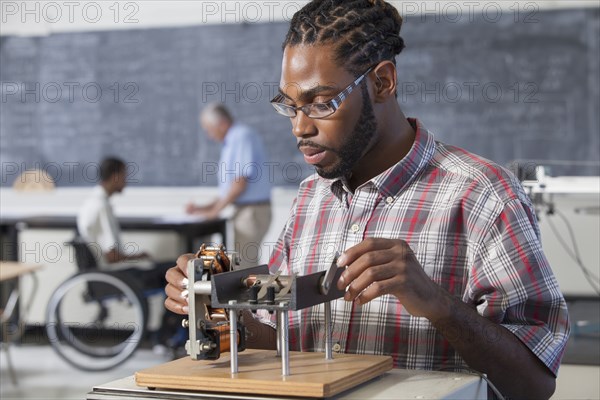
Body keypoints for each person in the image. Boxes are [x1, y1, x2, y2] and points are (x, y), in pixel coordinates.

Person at [166, 1, 570, 398]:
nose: (300, 128)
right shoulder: (311, 199)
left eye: (322, 103)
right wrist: (214, 304)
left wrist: (436, 303)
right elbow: (280, 341)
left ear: (382, 82)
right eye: (290, 106)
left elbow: (534, 384)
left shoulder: (482, 194)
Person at [77, 156, 178, 351]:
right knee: (176, 274)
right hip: (113, 274)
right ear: (115, 177)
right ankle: (166, 337)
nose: (126, 180)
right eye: (124, 176)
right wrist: (138, 257)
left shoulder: (93, 202)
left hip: (106, 271)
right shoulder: (101, 207)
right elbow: (112, 256)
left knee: (171, 270)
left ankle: (166, 336)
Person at [186, 103, 272, 268]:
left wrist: (214, 211)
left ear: (222, 123)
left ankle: (252, 295)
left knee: (245, 267)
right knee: (240, 266)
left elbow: (240, 184)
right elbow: (229, 190)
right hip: (245, 210)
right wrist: (203, 209)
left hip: (251, 212)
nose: (208, 134)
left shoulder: (241, 137)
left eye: (208, 128)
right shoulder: (231, 141)